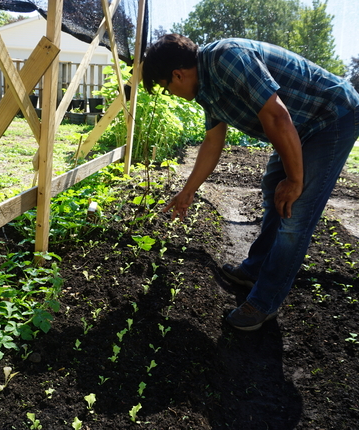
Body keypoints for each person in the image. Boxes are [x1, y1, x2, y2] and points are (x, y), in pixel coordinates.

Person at [142, 34, 359, 331]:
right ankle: (256, 269)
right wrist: (187, 192)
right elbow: (212, 142)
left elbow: (277, 117)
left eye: (167, 88)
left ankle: (265, 301)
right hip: (300, 123)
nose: (172, 93)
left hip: (331, 116)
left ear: (177, 74)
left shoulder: (226, 58)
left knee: (296, 212)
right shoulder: (205, 87)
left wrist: (295, 179)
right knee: (274, 187)